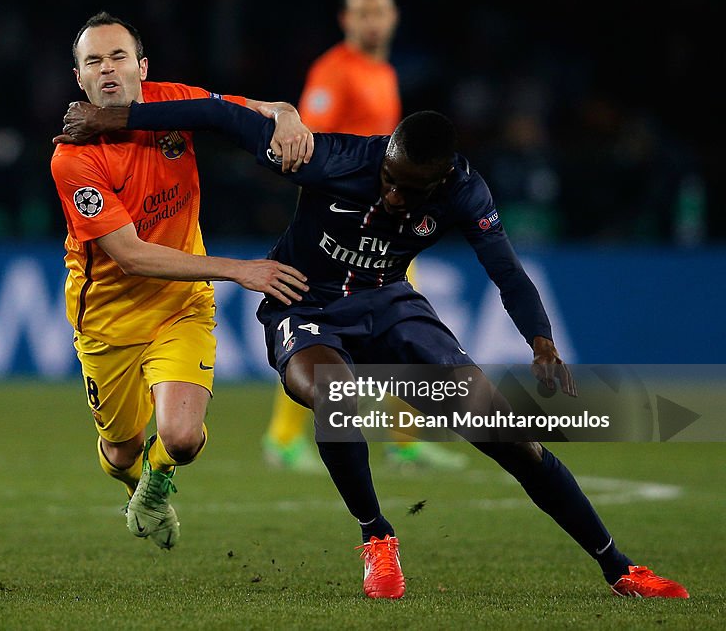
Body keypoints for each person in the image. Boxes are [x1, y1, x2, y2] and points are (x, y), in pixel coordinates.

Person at [53, 97, 688, 600]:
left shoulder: (467, 193)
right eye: (388, 178)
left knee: (508, 435)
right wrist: (113, 119)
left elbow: (507, 270)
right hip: (305, 303)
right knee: (337, 394)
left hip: (390, 307)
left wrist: (542, 342)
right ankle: (376, 537)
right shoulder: (329, 158)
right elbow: (218, 116)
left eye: (407, 191)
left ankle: (619, 568)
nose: (390, 195)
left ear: (439, 182)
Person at [49, 12, 310, 550]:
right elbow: (130, 256)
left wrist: (284, 115)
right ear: (80, 79)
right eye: (93, 61)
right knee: (120, 453)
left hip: (181, 306)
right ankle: (139, 482)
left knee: (182, 438)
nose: (108, 69)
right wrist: (238, 270)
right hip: (109, 321)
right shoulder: (73, 159)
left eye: (118, 56)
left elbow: (252, 111)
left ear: (142, 67)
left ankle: (156, 484)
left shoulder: (175, 103)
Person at [263, 0, 466, 473]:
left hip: (385, 226)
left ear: (393, 18)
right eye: (362, 13)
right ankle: (283, 439)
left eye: (380, 12)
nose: (372, 22)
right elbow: (307, 146)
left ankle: (403, 440)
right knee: (318, 332)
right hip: (344, 232)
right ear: (346, 20)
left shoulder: (383, 73)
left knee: (397, 329)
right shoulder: (333, 73)